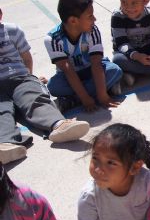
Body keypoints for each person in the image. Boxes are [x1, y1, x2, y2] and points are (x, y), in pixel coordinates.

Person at [0, 9, 89, 164]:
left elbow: (26, 58)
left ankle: (59, 125)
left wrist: (30, 78)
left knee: (34, 99)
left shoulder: (12, 30)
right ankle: (6, 144)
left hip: (19, 77)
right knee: (2, 111)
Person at [44, 0, 122, 113]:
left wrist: (102, 96)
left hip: (91, 71)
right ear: (73, 21)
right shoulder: (53, 39)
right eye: (90, 16)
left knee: (114, 70)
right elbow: (67, 70)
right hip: (70, 76)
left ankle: (71, 101)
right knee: (54, 87)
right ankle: (103, 89)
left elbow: (96, 64)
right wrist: (85, 99)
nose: (95, 19)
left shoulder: (92, 30)